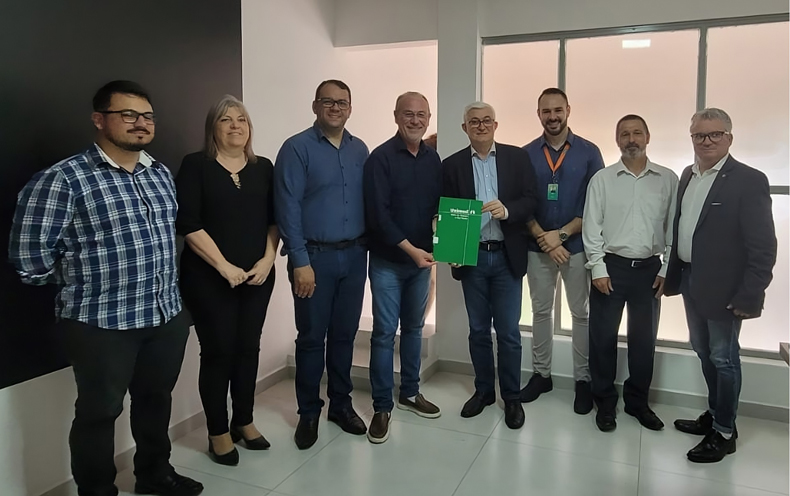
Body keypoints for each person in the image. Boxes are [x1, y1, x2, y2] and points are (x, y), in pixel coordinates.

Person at [9, 80, 203, 496]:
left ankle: (154, 475)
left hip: (164, 315)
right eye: (128, 114)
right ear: (99, 119)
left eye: (147, 116)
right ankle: (97, 490)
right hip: (100, 323)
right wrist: (86, 278)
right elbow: (29, 260)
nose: (141, 123)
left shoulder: (159, 173)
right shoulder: (63, 179)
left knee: (156, 402)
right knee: (99, 414)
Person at [664, 108, 777, 463]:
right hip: (691, 280)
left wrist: (751, 294)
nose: (707, 141)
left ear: (729, 137)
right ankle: (715, 415)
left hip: (727, 290)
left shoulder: (748, 180)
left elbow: (763, 246)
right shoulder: (688, 175)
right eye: (699, 135)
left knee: (724, 359)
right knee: (702, 350)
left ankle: (725, 432)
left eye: (715, 134)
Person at [176, 95, 278, 465]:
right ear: (212, 128)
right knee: (218, 352)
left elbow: (274, 220)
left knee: (248, 349)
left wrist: (267, 260)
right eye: (226, 120)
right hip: (208, 278)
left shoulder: (263, 167)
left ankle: (244, 421)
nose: (235, 126)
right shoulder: (195, 165)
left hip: (257, 277)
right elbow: (188, 223)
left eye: (241, 120)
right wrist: (222, 266)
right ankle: (218, 431)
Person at [274, 79, 370, 450]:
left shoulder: (359, 149)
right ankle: (309, 412)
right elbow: (287, 208)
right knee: (313, 338)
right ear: (315, 106)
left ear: (351, 108)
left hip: (355, 256)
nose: (335, 107)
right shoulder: (296, 148)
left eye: (342, 102)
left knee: (345, 335)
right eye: (327, 101)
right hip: (313, 259)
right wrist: (299, 260)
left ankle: (340, 406)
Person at [442, 102, 537, 429]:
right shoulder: (452, 165)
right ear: (464, 128)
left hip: (507, 255)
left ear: (495, 125)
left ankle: (511, 397)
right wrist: (451, 246)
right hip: (473, 257)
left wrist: (508, 210)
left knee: (509, 332)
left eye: (486, 121)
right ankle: (483, 391)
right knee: (478, 330)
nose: (481, 126)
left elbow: (531, 200)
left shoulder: (517, 158)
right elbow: (446, 211)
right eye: (474, 122)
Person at [582, 114, 678, 432]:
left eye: (637, 133)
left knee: (643, 341)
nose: (631, 139)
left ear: (648, 137)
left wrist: (667, 268)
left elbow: (673, 229)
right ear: (617, 140)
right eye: (625, 134)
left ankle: (638, 402)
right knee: (602, 339)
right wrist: (597, 267)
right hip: (611, 268)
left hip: (650, 270)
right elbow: (592, 227)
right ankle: (604, 402)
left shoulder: (667, 179)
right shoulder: (603, 180)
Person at [363, 92, 442, 444]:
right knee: (383, 334)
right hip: (388, 263)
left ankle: (410, 392)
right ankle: (382, 406)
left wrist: (449, 243)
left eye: (421, 114)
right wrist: (411, 250)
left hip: (421, 264)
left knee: (413, 329)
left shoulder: (433, 159)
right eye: (408, 114)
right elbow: (378, 215)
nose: (415, 120)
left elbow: (440, 208)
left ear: (428, 119)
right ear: (396, 116)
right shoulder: (379, 158)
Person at [522, 88, 604, 414]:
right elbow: (522, 203)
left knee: (581, 314)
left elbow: (595, 204)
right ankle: (541, 375)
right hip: (537, 247)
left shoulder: (589, 152)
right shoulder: (526, 154)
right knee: (540, 312)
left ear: (568, 110)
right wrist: (545, 239)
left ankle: (583, 380)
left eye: (558, 110)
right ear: (538, 114)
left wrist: (561, 235)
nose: (552, 117)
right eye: (546, 111)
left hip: (577, 246)